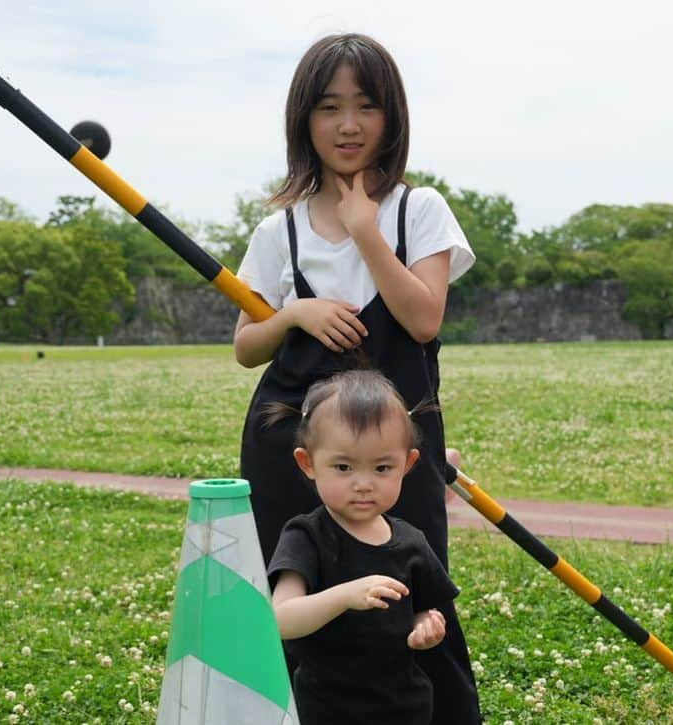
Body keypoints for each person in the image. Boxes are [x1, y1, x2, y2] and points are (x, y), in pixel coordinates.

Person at [234, 33, 480, 722]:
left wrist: (367, 231)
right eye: (329, 107)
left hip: (397, 443)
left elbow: (424, 318)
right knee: (299, 577)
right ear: (303, 120)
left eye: (366, 106)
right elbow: (247, 348)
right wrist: (293, 314)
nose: (348, 125)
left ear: (391, 118)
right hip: (293, 440)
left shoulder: (417, 209)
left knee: (418, 586)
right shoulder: (277, 228)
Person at [266, 370, 458, 724]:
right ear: (308, 463)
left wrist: (426, 625)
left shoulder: (412, 542)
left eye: (383, 467)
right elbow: (280, 619)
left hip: (405, 707)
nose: (364, 484)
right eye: (343, 467)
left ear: (408, 465)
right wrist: (346, 595)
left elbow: (421, 609)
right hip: (327, 709)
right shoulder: (306, 537)